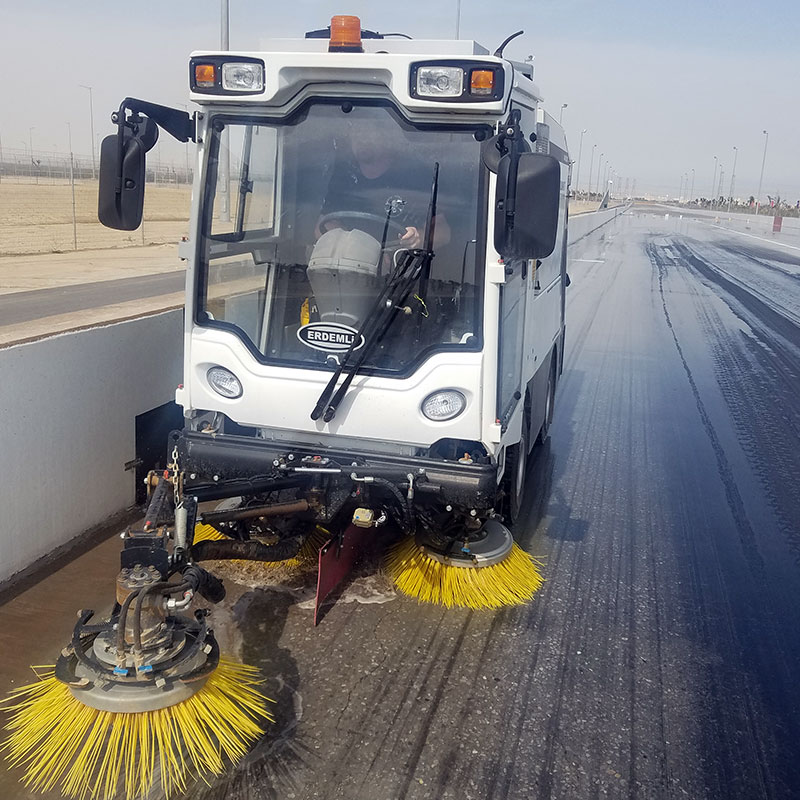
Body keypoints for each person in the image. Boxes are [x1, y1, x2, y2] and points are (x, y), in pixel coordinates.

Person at [317, 116, 450, 249]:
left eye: (369, 131)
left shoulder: (416, 175)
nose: (361, 139)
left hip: (400, 266)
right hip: (348, 264)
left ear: (387, 136)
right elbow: (321, 226)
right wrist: (344, 243)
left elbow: (442, 232)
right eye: (357, 131)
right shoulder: (345, 174)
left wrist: (419, 238)